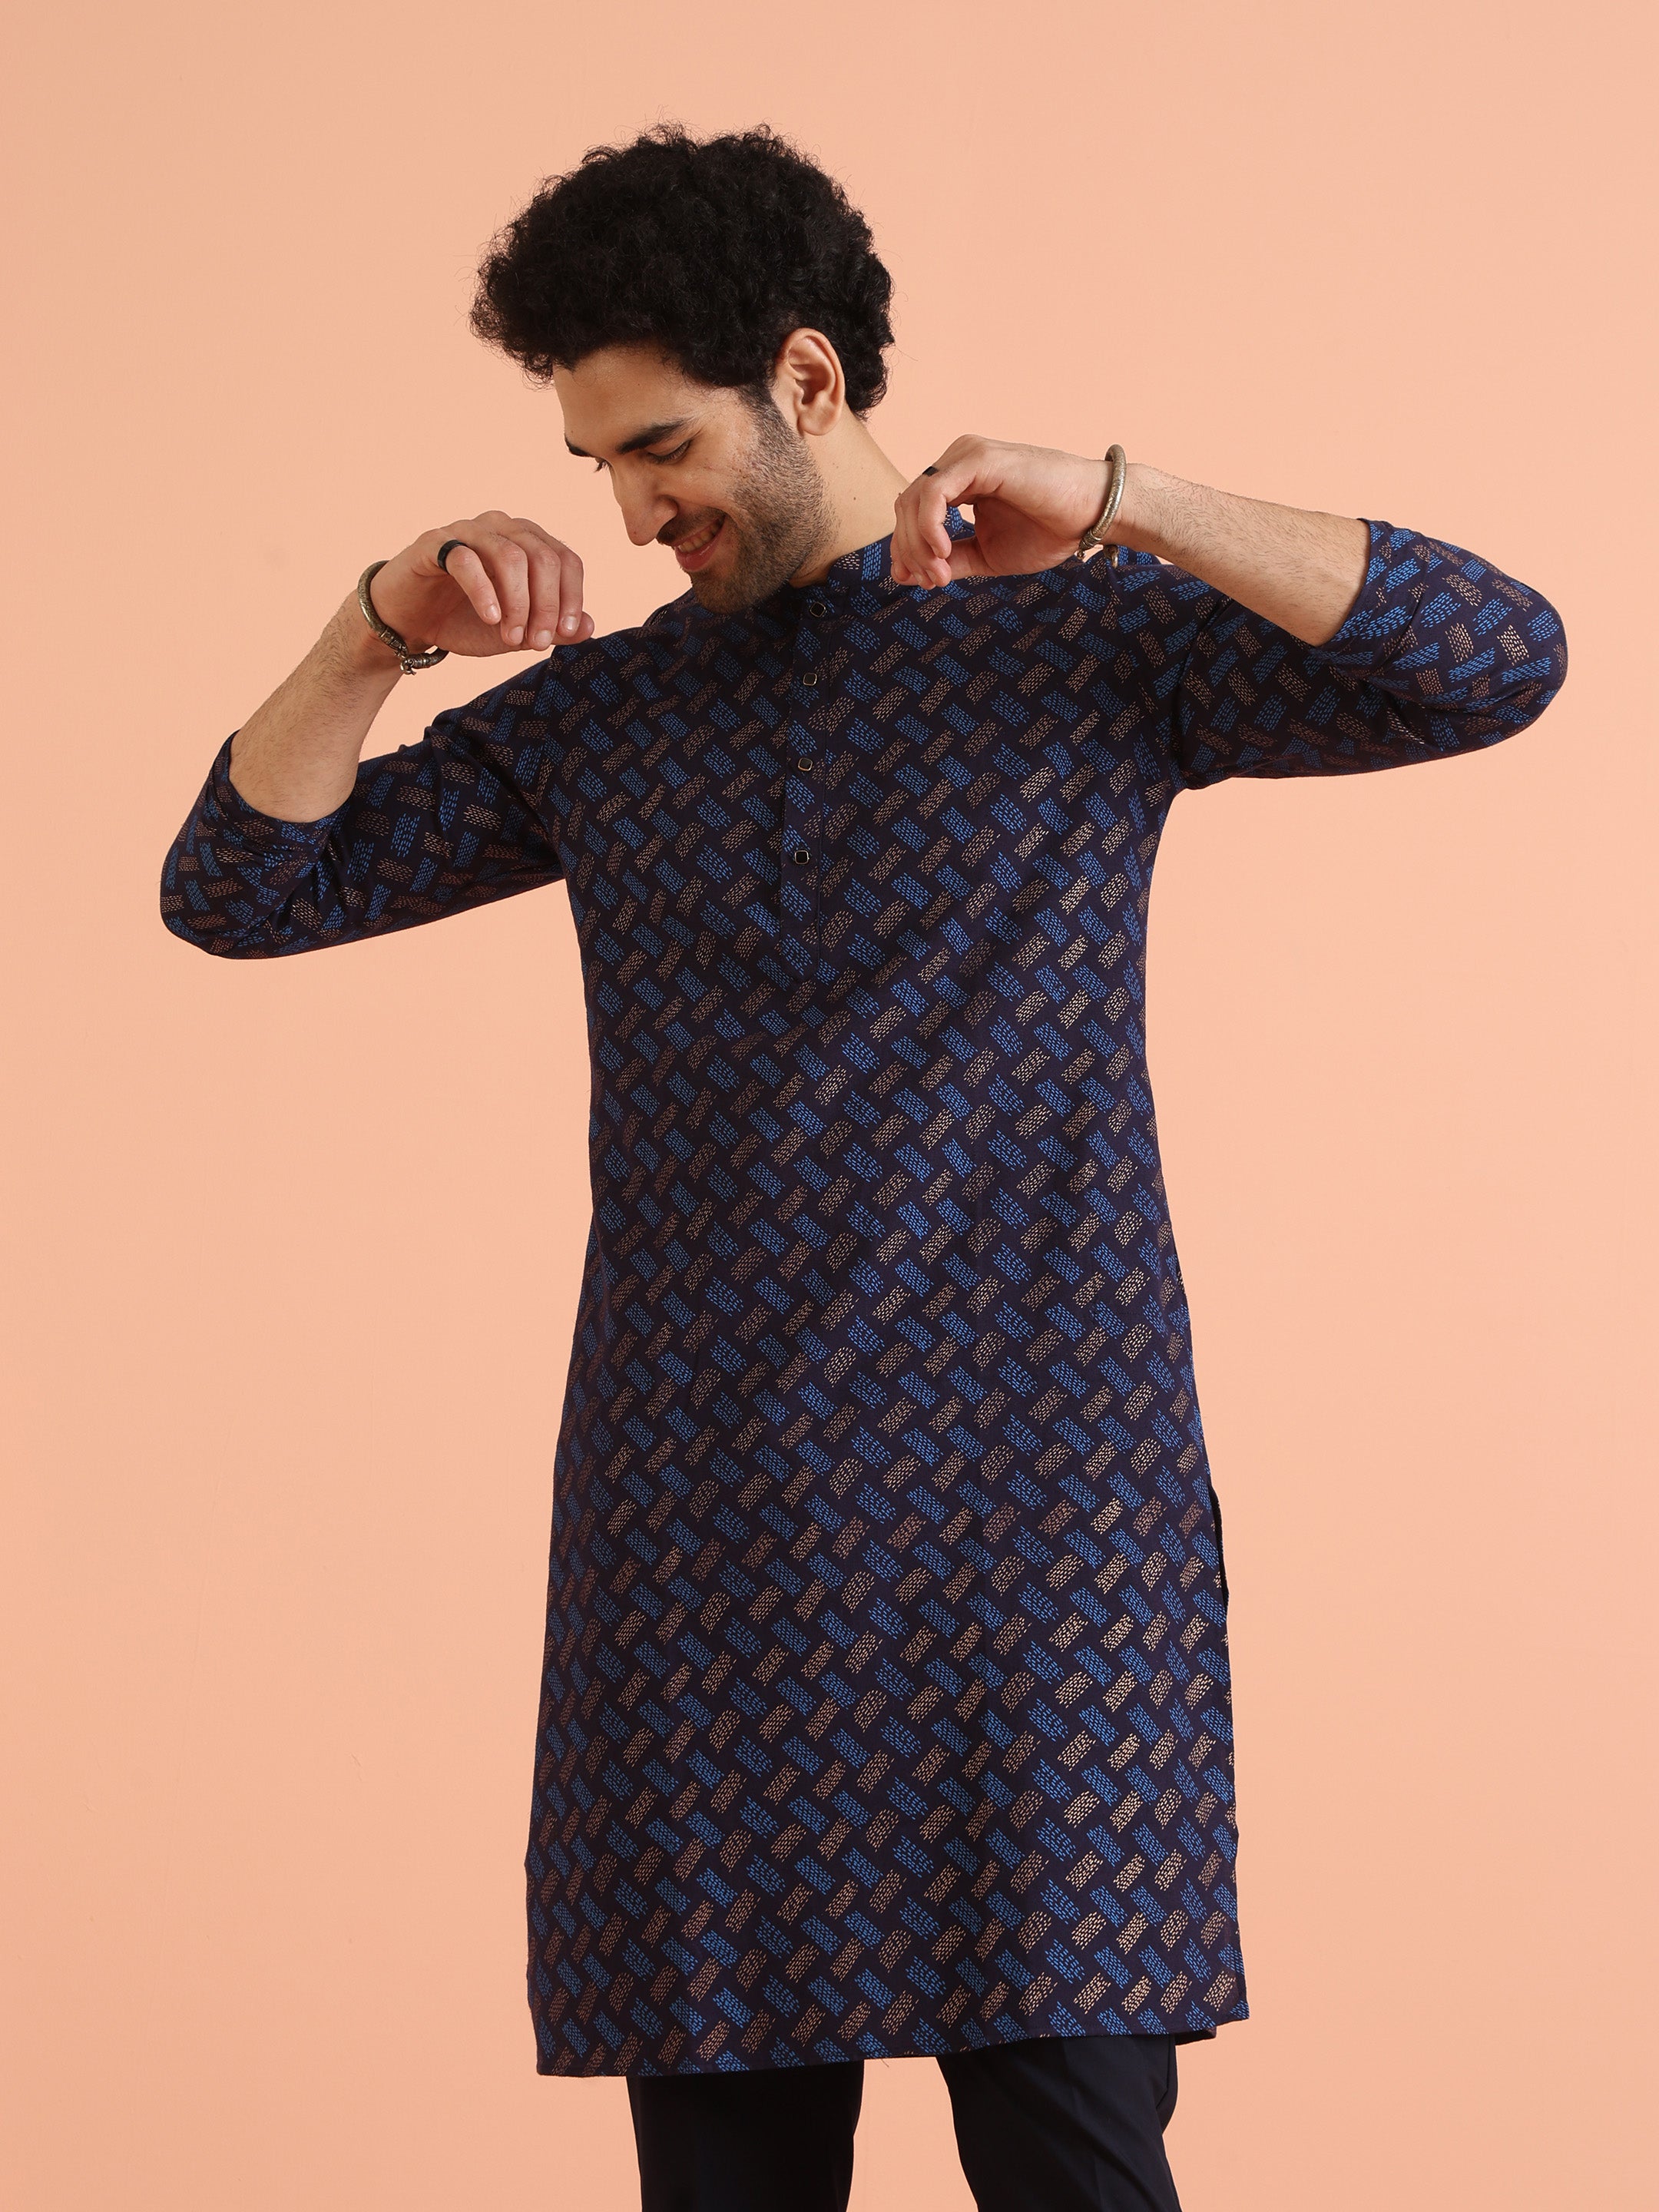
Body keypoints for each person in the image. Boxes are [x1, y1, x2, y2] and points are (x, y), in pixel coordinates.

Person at [159, 123, 1568, 2212]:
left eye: (661, 449)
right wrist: (381, 625)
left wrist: (1131, 503)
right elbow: (241, 890)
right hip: (700, 1565)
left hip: (1045, 1562)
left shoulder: (1085, 649)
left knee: (1079, 2167)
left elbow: (1495, 655)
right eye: (596, 468)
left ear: (807, 380)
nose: (632, 514)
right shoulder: (607, 724)